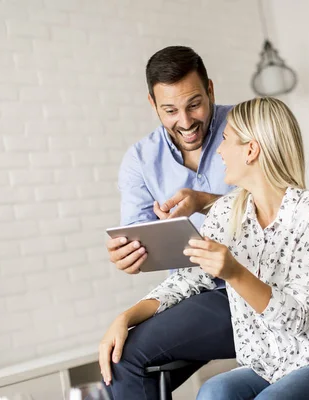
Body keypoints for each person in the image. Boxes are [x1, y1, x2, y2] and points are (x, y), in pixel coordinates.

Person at [128, 97, 309, 399]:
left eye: (226, 140)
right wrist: (126, 318)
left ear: (251, 150)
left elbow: (298, 319)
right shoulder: (225, 213)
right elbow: (188, 280)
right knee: (213, 393)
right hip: (264, 368)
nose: (218, 150)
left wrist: (234, 272)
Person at [99, 46, 236, 399]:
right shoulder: (140, 160)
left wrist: (205, 202)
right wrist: (128, 256)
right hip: (190, 293)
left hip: (249, 288)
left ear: (211, 89)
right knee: (120, 360)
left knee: (128, 357)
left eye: (194, 104)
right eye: (170, 110)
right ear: (152, 104)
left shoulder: (245, 128)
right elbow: (139, 241)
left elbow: (284, 209)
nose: (186, 121)